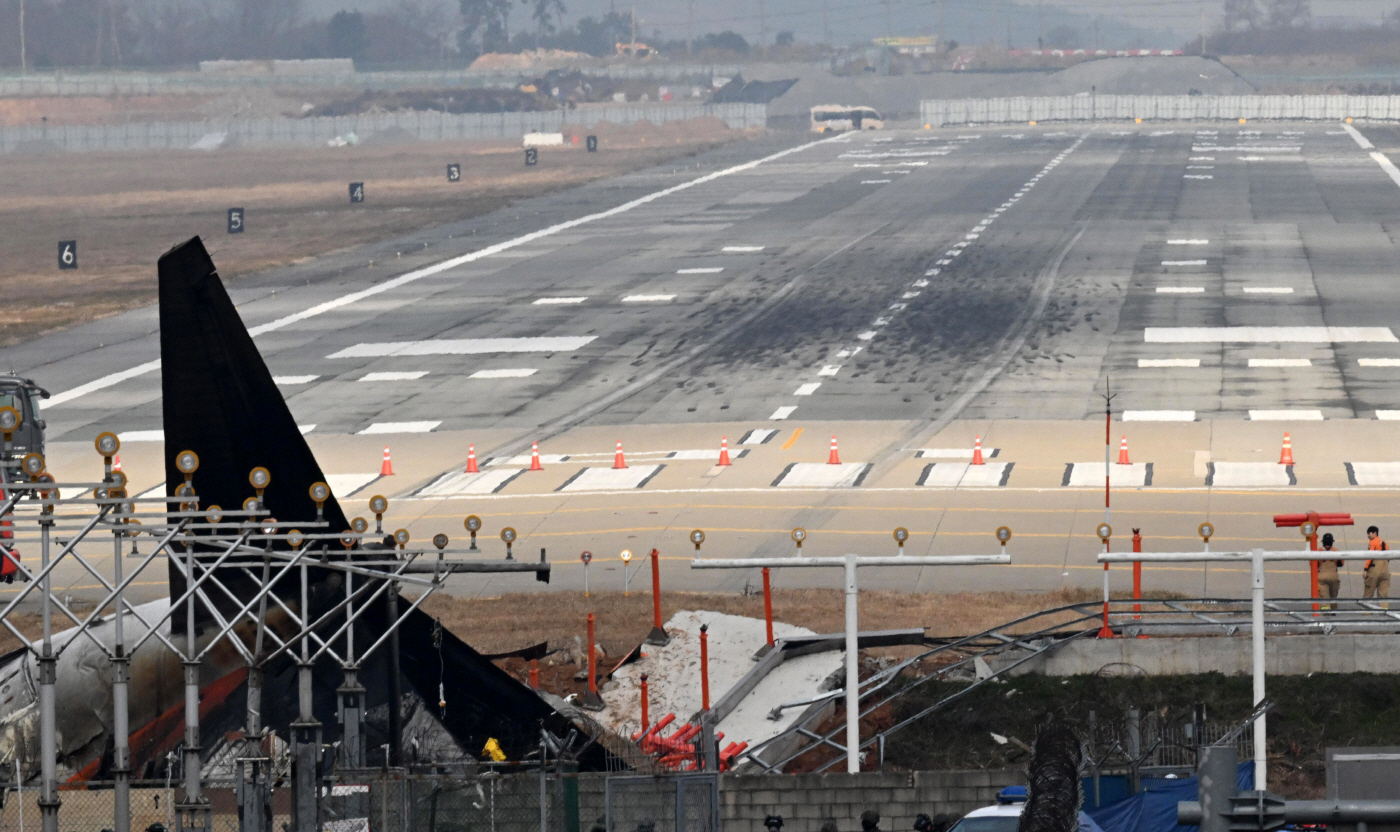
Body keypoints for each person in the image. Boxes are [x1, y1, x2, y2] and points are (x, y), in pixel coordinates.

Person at [1317, 533, 1344, 608]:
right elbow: (1341, 564)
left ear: (1323, 542)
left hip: (1322, 576)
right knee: (1333, 596)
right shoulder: (1336, 551)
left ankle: (1326, 612)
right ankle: (1333, 611)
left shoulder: (1318, 551)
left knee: (1324, 596)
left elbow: (1313, 565)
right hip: (1333, 577)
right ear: (1332, 542)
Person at [1365, 526, 1391, 600]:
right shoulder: (1385, 543)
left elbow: (1369, 557)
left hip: (1374, 570)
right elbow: (1388, 557)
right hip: (1385, 571)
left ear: (1374, 533)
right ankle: (1384, 611)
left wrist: (1365, 569)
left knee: (1368, 593)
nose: (1368, 536)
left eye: (1369, 533)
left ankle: (1367, 611)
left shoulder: (1372, 542)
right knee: (1383, 595)